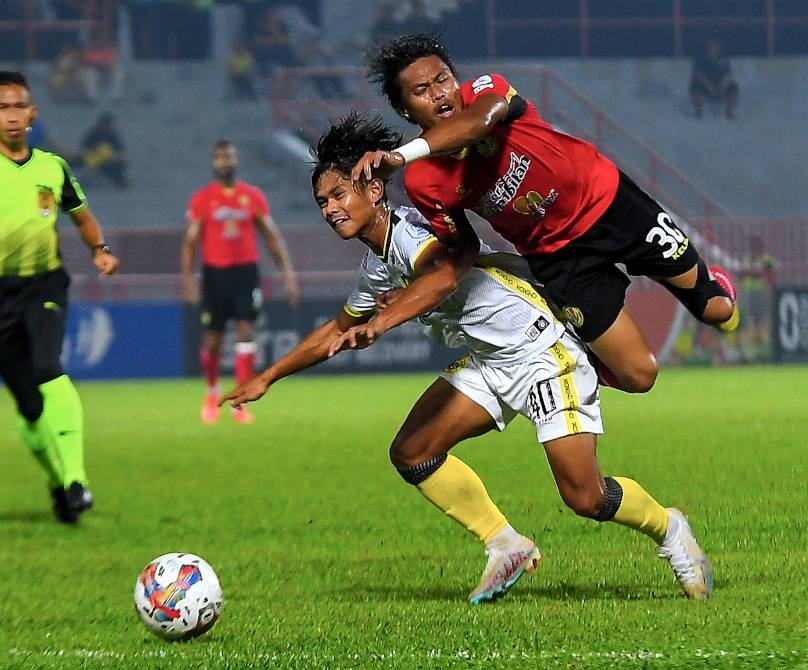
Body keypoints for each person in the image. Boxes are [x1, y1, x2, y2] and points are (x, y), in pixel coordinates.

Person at [223, 113, 712, 602]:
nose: (330, 209)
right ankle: (505, 545)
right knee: (413, 451)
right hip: (489, 362)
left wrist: (381, 324)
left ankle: (669, 529)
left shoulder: (414, 230)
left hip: (540, 351)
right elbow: (338, 326)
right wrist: (267, 377)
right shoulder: (377, 265)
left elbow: (442, 278)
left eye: (338, 194)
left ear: (374, 190)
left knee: (584, 497)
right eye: (322, 202)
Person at [350, 33, 739, 393]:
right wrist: (416, 289)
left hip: (610, 205)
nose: (439, 93)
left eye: (443, 79)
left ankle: (715, 285)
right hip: (559, 258)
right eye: (422, 91)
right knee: (638, 377)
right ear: (404, 109)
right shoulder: (422, 182)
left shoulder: (487, 90)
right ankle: (580, 351)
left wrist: (401, 155)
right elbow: (462, 246)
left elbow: (476, 125)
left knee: (715, 309)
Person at [0, 70, 120, 524]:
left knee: (48, 367)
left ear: (32, 113)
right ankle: (60, 488)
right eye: (3, 108)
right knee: (29, 407)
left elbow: (83, 216)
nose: (12, 117)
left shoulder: (53, 168)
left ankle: (76, 479)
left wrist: (100, 250)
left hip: (44, 284)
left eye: (19, 107)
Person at [181, 140, 299, 425]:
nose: (225, 162)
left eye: (229, 157)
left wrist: (287, 274)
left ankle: (239, 403)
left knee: (246, 332)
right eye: (220, 157)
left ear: (237, 161)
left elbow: (271, 237)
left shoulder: (252, 196)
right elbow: (190, 242)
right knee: (213, 341)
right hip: (214, 275)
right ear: (213, 163)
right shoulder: (202, 199)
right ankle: (212, 393)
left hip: (245, 274)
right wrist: (187, 280)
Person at [73, 112, 129, 189]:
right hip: (94, 160)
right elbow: (85, 149)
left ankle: (120, 181)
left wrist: (118, 157)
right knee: (107, 166)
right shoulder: (93, 134)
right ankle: (119, 181)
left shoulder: (112, 135)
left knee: (114, 166)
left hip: (109, 159)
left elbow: (119, 150)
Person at [690, 39, 738, 119]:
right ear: (708, 47)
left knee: (733, 88)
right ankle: (698, 112)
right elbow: (699, 75)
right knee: (695, 88)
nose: (715, 48)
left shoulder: (723, 59)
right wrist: (710, 86)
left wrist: (723, 87)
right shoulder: (700, 58)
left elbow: (728, 74)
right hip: (705, 85)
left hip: (720, 85)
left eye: (716, 46)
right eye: (712, 46)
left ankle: (729, 112)